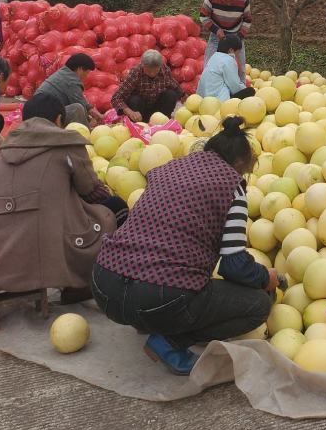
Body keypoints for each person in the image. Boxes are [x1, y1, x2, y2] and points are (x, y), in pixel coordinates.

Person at [93, 116, 280, 375]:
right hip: (157, 296)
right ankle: (170, 342)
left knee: (157, 279)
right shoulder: (232, 187)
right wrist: (264, 278)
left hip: (104, 285)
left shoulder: (168, 169)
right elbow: (234, 265)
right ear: (239, 164)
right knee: (258, 304)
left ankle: (145, 318)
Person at [0, 93, 120, 304]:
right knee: (112, 210)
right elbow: (89, 189)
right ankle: (82, 284)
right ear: (58, 120)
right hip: (50, 240)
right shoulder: (66, 143)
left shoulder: (6, 149)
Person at [33, 53, 105, 128]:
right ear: (80, 69)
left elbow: (80, 100)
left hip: (35, 113)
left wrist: (91, 111)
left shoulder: (63, 73)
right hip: (43, 118)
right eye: (87, 73)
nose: (86, 76)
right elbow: (80, 104)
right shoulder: (72, 81)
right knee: (77, 109)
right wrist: (91, 124)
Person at [111, 49, 183, 122]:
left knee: (171, 94)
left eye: (155, 71)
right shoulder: (136, 72)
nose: (152, 73)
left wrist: (185, 99)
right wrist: (129, 112)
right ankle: (138, 125)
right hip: (139, 110)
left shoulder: (164, 70)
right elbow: (116, 98)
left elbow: (175, 87)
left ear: (160, 66)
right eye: (148, 70)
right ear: (143, 65)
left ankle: (163, 122)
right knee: (134, 100)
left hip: (157, 111)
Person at [200, 0, 251, 70]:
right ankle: (208, 83)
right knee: (208, 65)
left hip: (236, 35)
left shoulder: (244, 0)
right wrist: (216, 30)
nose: (228, 4)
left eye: (231, 1)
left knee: (240, 68)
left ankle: (241, 83)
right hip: (217, 36)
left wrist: (238, 37)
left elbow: (247, 20)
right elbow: (203, 17)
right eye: (225, 1)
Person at [196, 35, 255, 101]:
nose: (238, 55)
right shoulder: (229, 60)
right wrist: (244, 89)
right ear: (231, 50)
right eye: (238, 52)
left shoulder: (214, 57)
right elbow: (234, 85)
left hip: (203, 100)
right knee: (250, 91)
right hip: (219, 101)